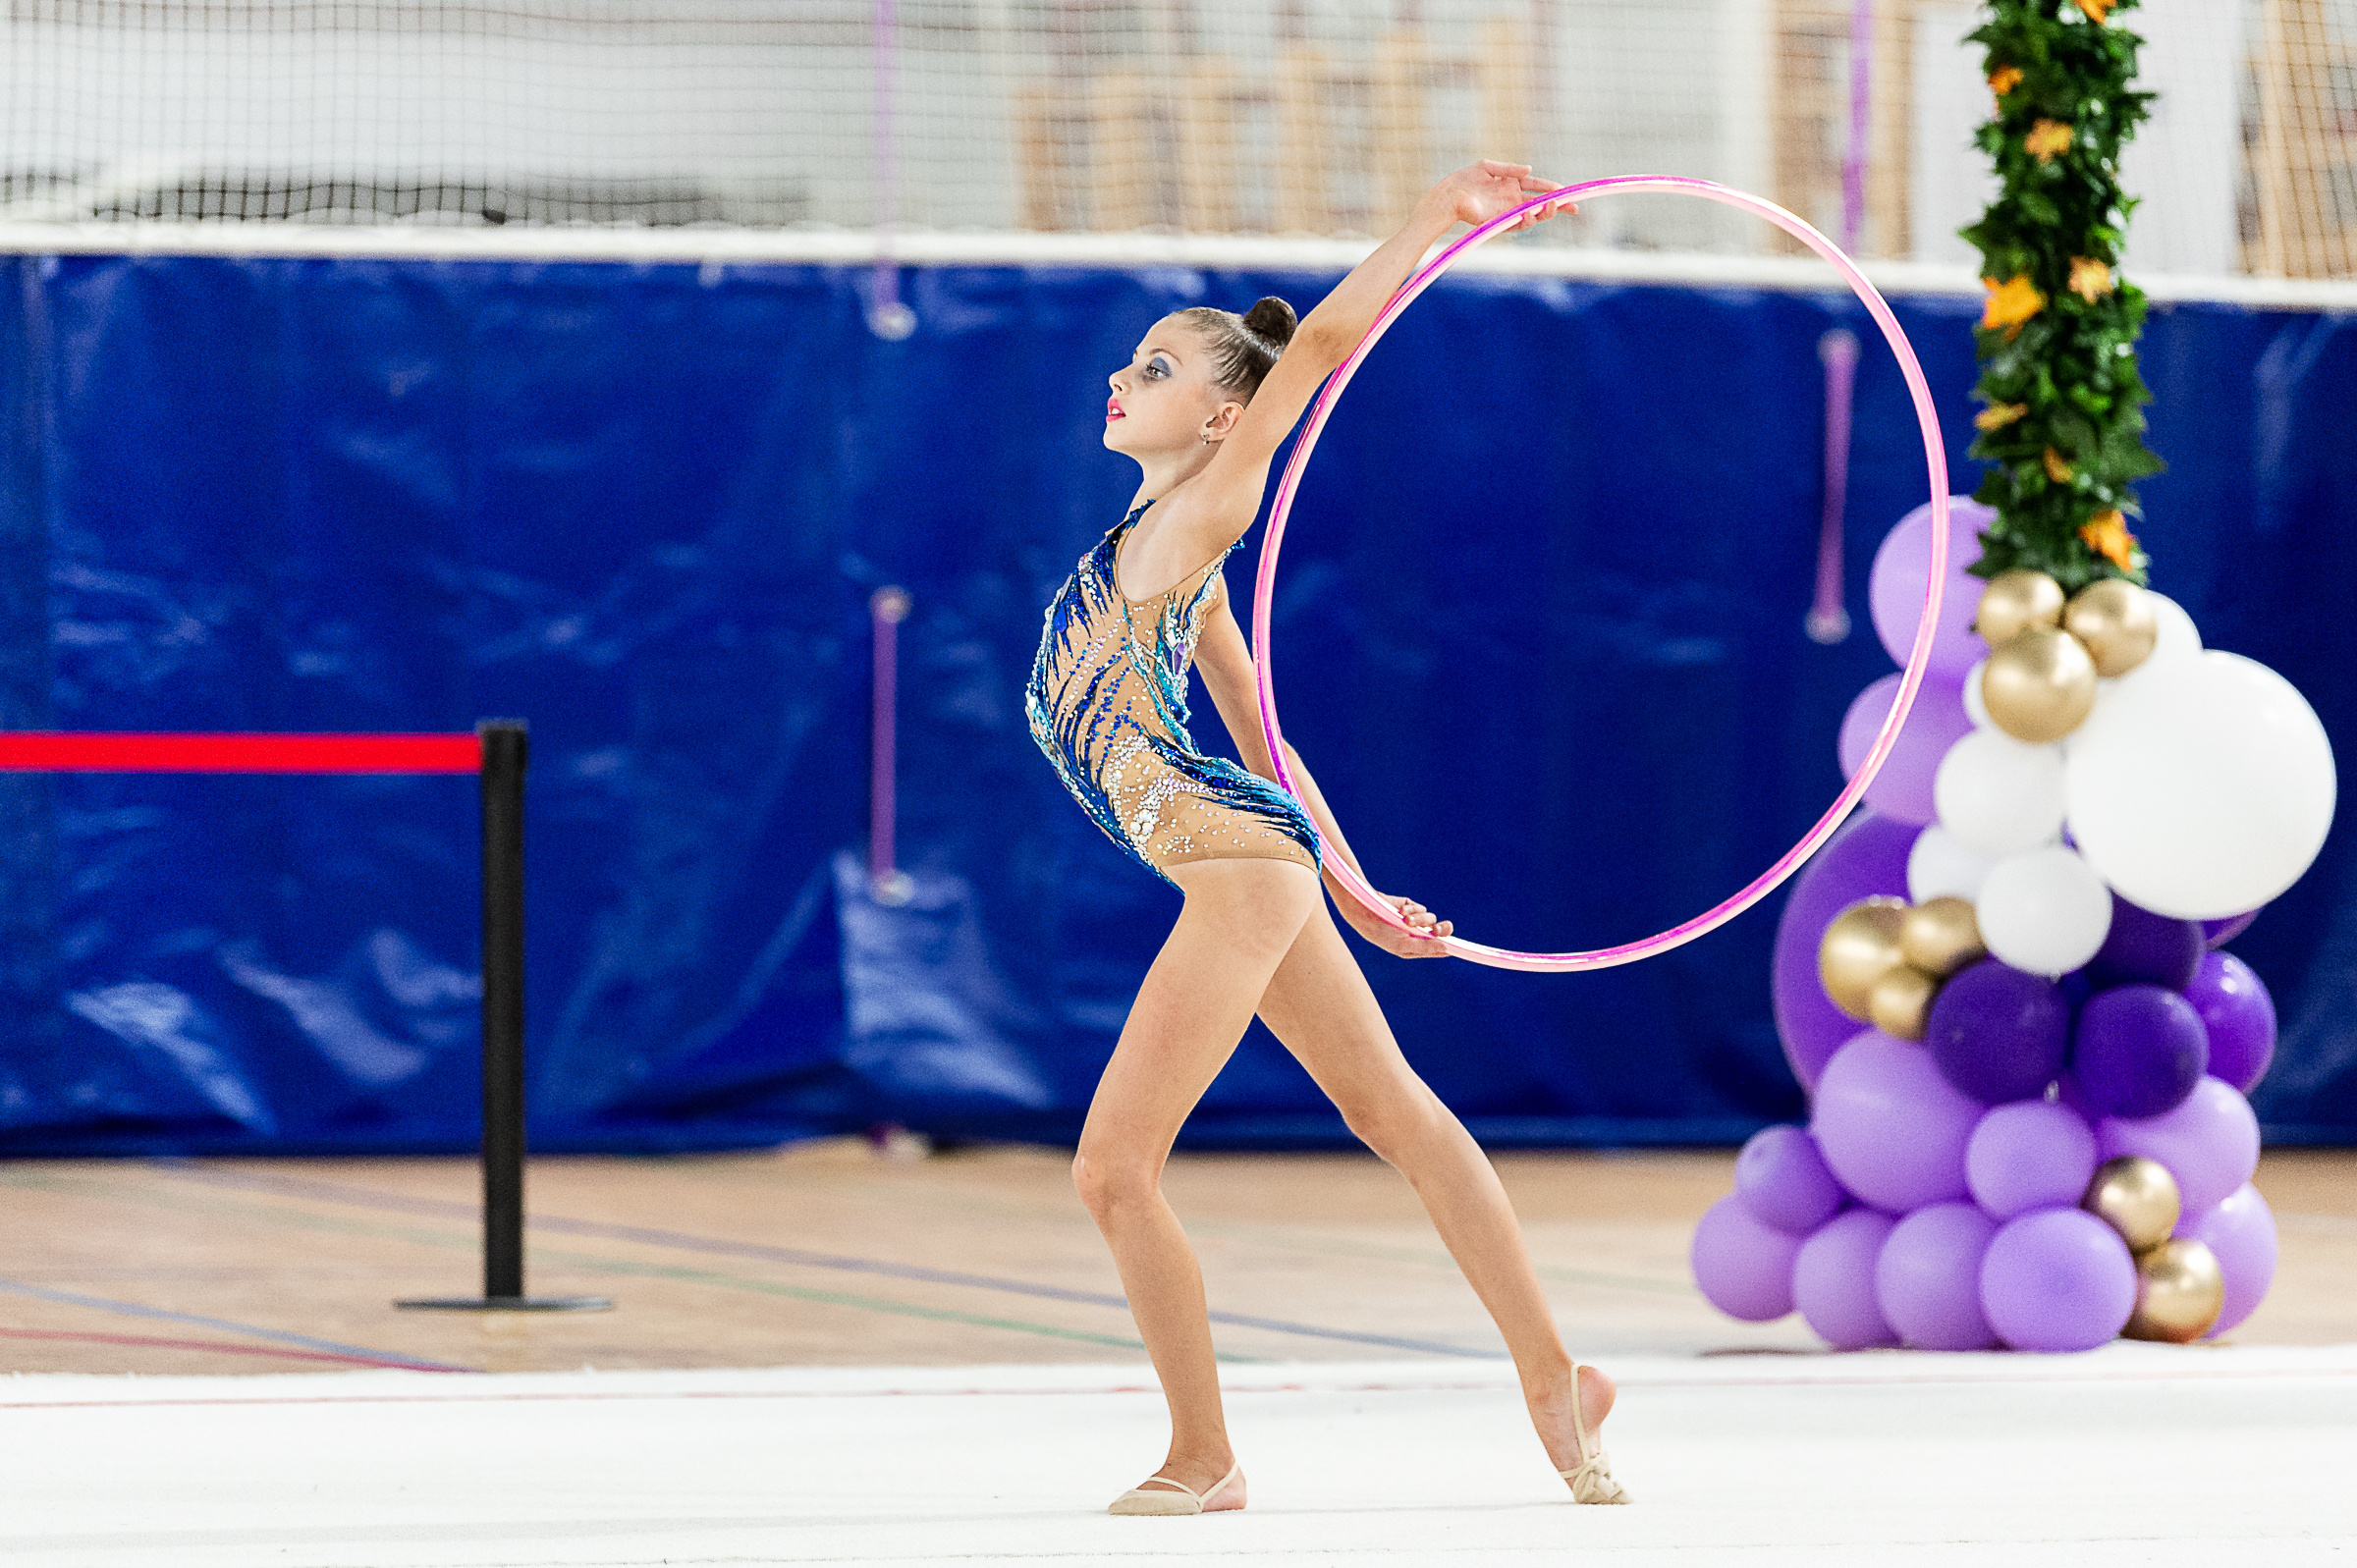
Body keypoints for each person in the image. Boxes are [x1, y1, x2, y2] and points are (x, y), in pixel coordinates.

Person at [1025, 160, 1627, 1515]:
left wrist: (1430, 220)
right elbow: (1268, 743)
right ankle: (1554, 1373)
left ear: (1224, 416)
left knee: (1115, 1170)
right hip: (1255, 857)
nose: (1122, 380)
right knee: (1391, 1108)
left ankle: (1206, 1457)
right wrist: (1350, 887)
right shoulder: (1178, 560)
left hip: (1233, 872)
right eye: (1129, 361)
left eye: (1157, 367)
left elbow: (1330, 348)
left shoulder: (1202, 512)